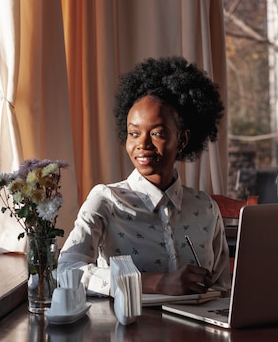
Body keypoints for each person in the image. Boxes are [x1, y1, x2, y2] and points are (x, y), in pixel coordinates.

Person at [58, 56, 231, 297]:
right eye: (133, 133)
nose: (142, 144)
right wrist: (155, 283)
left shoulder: (205, 208)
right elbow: (67, 270)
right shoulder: (106, 200)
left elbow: (223, 288)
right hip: (130, 331)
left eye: (157, 133)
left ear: (182, 139)